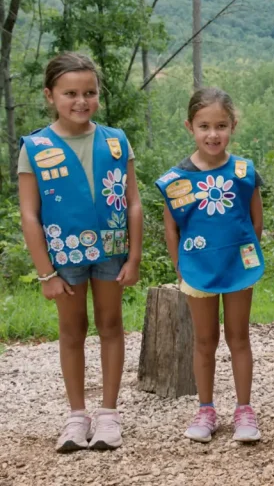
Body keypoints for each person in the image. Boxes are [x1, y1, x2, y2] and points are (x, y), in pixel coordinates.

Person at [18, 52, 142, 452]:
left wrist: (134, 257)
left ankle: (108, 414)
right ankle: (76, 416)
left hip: (112, 252)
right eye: (70, 93)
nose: (81, 101)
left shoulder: (115, 140)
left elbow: (133, 201)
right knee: (72, 331)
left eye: (89, 92)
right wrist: (45, 273)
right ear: (49, 95)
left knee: (111, 325)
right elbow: (29, 214)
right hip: (63, 258)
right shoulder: (35, 147)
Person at [155, 87, 265, 443]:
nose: (213, 134)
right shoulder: (175, 180)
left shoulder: (244, 172)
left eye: (221, 126)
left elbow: (255, 220)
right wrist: (179, 264)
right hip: (197, 268)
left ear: (233, 126)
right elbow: (171, 226)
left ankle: (244, 410)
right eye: (204, 126)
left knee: (239, 337)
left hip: (238, 267)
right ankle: (206, 410)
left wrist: (244, 255)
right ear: (190, 127)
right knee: (204, 340)